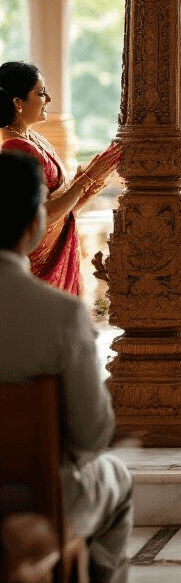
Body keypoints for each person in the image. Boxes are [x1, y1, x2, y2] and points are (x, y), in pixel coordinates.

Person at [0, 150, 133, 583]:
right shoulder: (60, 314)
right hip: (38, 496)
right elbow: (93, 435)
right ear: (32, 222)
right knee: (117, 479)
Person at [0, 61, 120, 295]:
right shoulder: (16, 147)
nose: (48, 99)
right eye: (40, 93)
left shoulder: (32, 138)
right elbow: (42, 215)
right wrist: (87, 179)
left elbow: (65, 209)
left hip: (55, 255)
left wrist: (95, 176)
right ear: (18, 103)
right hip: (40, 265)